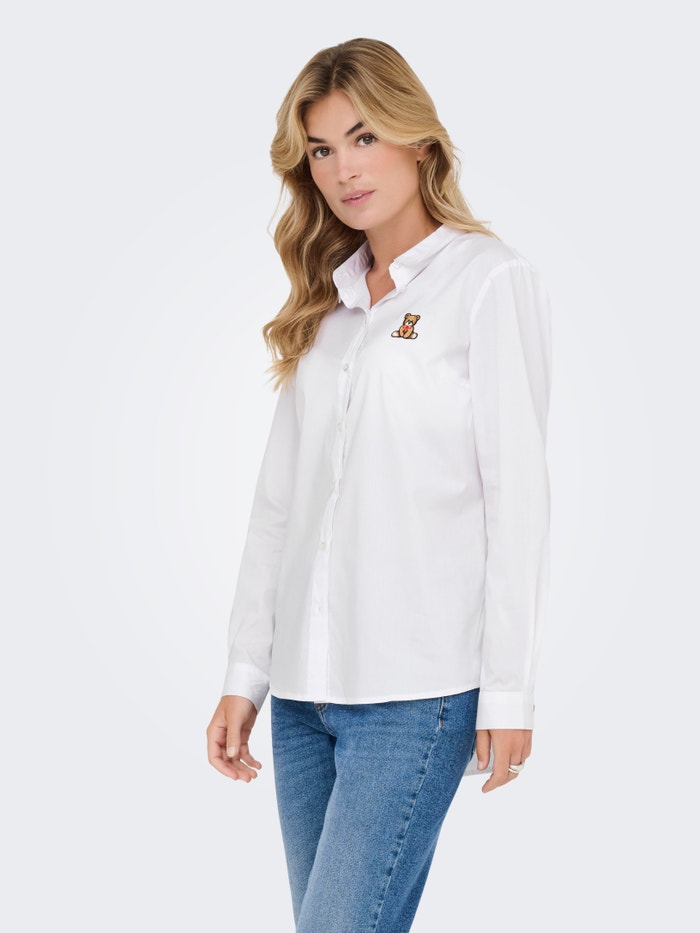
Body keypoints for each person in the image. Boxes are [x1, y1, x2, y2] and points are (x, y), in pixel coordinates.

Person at [206, 37, 553, 932]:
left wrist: (507, 690)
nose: (343, 169)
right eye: (322, 150)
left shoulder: (488, 281)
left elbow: (517, 500)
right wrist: (246, 674)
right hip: (301, 699)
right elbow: (278, 506)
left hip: (415, 696)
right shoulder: (327, 307)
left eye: (363, 137)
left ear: (417, 139)